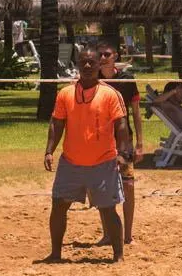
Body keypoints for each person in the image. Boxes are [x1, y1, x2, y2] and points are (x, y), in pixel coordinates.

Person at [45, 45, 132, 263]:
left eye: (91, 62)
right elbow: (56, 124)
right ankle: (56, 253)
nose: (87, 66)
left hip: (103, 162)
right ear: (77, 65)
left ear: (98, 66)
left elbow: (121, 126)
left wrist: (122, 155)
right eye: (83, 62)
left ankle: (118, 256)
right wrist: (49, 151)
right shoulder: (65, 94)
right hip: (71, 163)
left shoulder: (111, 94)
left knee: (108, 209)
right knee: (58, 205)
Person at [98, 41, 142, 246]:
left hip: (124, 141)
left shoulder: (127, 80)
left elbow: (136, 112)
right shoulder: (92, 80)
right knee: (103, 187)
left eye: (106, 54)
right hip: (100, 141)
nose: (103, 58)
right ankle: (107, 234)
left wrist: (140, 142)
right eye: (100, 55)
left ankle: (128, 235)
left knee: (129, 186)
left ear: (115, 55)